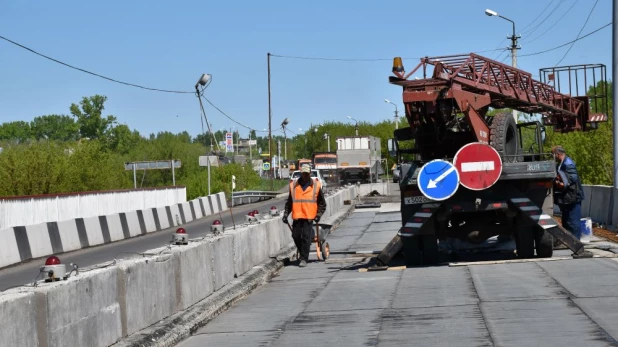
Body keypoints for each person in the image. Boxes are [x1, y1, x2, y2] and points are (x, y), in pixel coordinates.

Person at [282, 164, 327, 267]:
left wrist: (318, 214)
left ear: (310, 173)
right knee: (295, 235)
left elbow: (322, 203)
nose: (305, 175)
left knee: (306, 237)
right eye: (304, 173)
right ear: (301, 173)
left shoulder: (315, 185)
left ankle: (303, 259)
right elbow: (290, 202)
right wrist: (285, 214)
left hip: (309, 216)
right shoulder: (294, 185)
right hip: (297, 215)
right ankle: (303, 252)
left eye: (307, 173)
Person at [552, 146, 585, 239]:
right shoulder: (561, 164)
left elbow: (572, 179)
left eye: (553, 155)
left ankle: (576, 242)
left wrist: (559, 183)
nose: (553, 157)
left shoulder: (568, 163)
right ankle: (569, 241)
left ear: (558, 154)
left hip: (573, 197)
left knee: (573, 222)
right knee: (566, 221)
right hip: (566, 198)